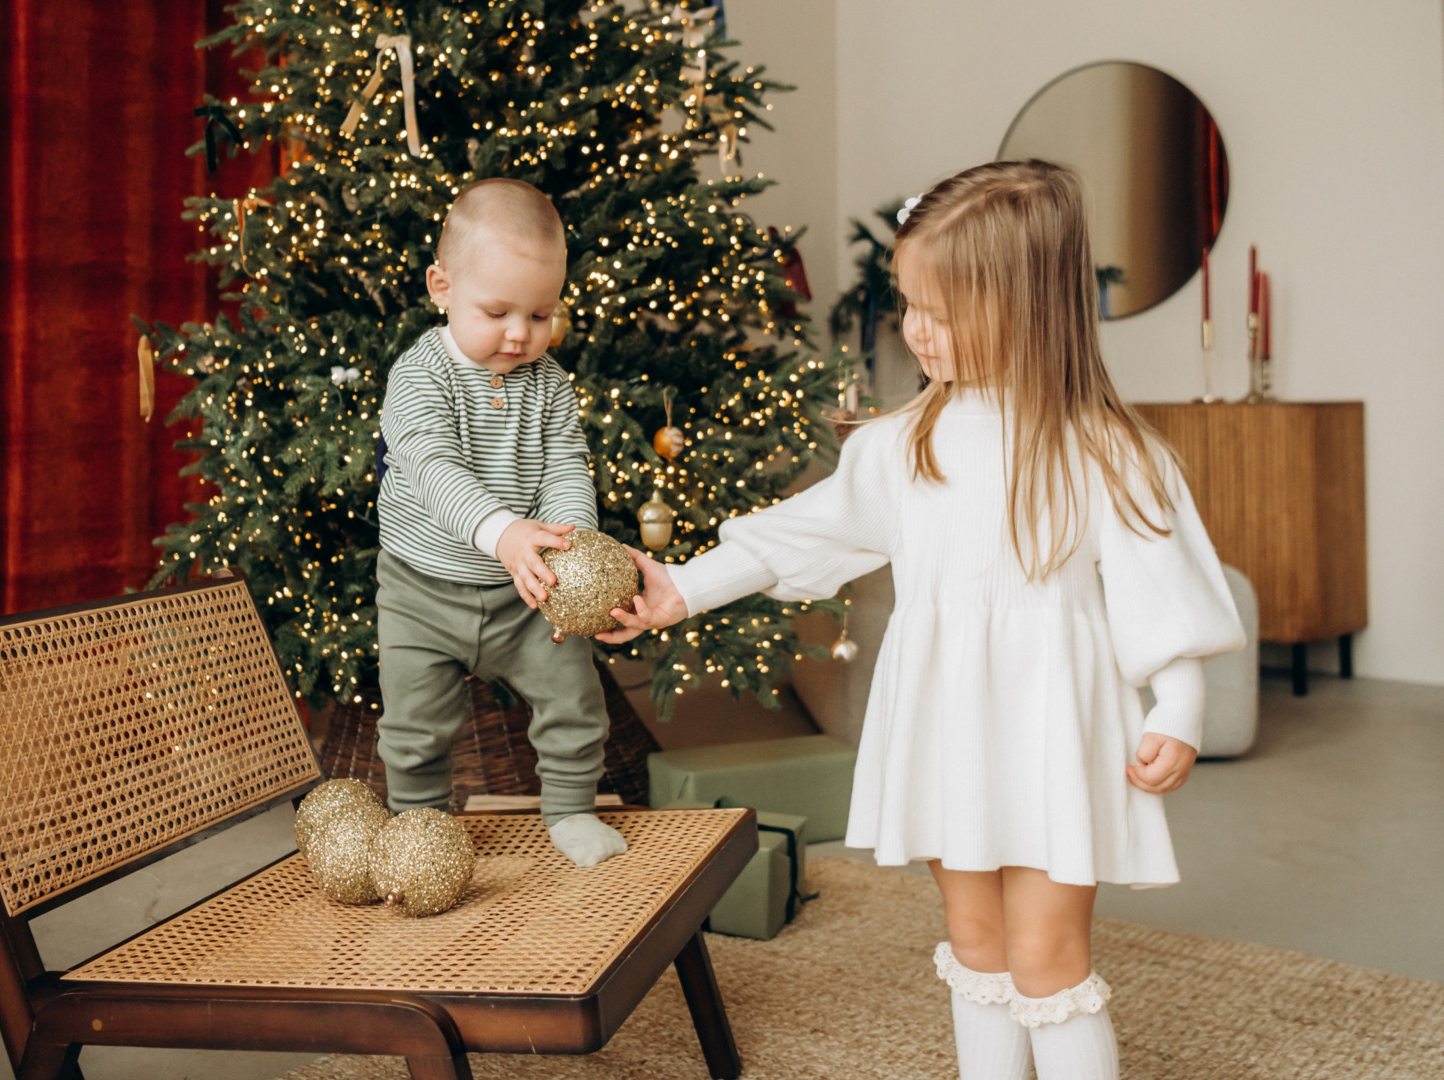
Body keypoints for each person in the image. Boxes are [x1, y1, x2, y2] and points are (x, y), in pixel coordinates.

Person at [599, 160, 1245, 1079]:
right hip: (948, 726)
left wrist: (1175, 706)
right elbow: (803, 533)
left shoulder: (1108, 449)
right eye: (908, 303)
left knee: (1047, 958)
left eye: (937, 311)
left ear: (1023, 304)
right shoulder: (902, 444)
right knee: (976, 941)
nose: (915, 329)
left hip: (1055, 731)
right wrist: (681, 589)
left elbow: (1161, 589)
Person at [375, 178, 626, 868]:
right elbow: (431, 467)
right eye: (497, 311)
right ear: (442, 286)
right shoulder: (419, 376)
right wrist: (505, 532)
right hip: (422, 591)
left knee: (574, 703)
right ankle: (418, 825)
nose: (519, 334)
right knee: (414, 724)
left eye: (541, 315)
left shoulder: (548, 384)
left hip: (527, 594)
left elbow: (565, 467)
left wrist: (568, 547)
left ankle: (571, 809)